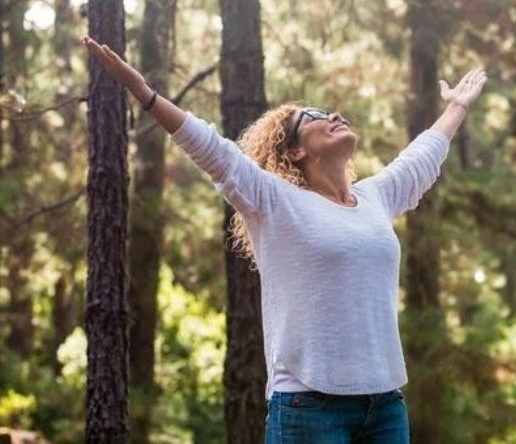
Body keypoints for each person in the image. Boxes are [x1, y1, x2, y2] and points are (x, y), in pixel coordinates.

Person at [83, 35, 486, 444]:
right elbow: (214, 151)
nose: (335, 115)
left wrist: (456, 106)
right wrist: (145, 95)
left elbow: (421, 158)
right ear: (294, 152)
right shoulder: (275, 202)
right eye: (315, 116)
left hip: (384, 407)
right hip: (309, 409)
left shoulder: (374, 198)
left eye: (332, 112)